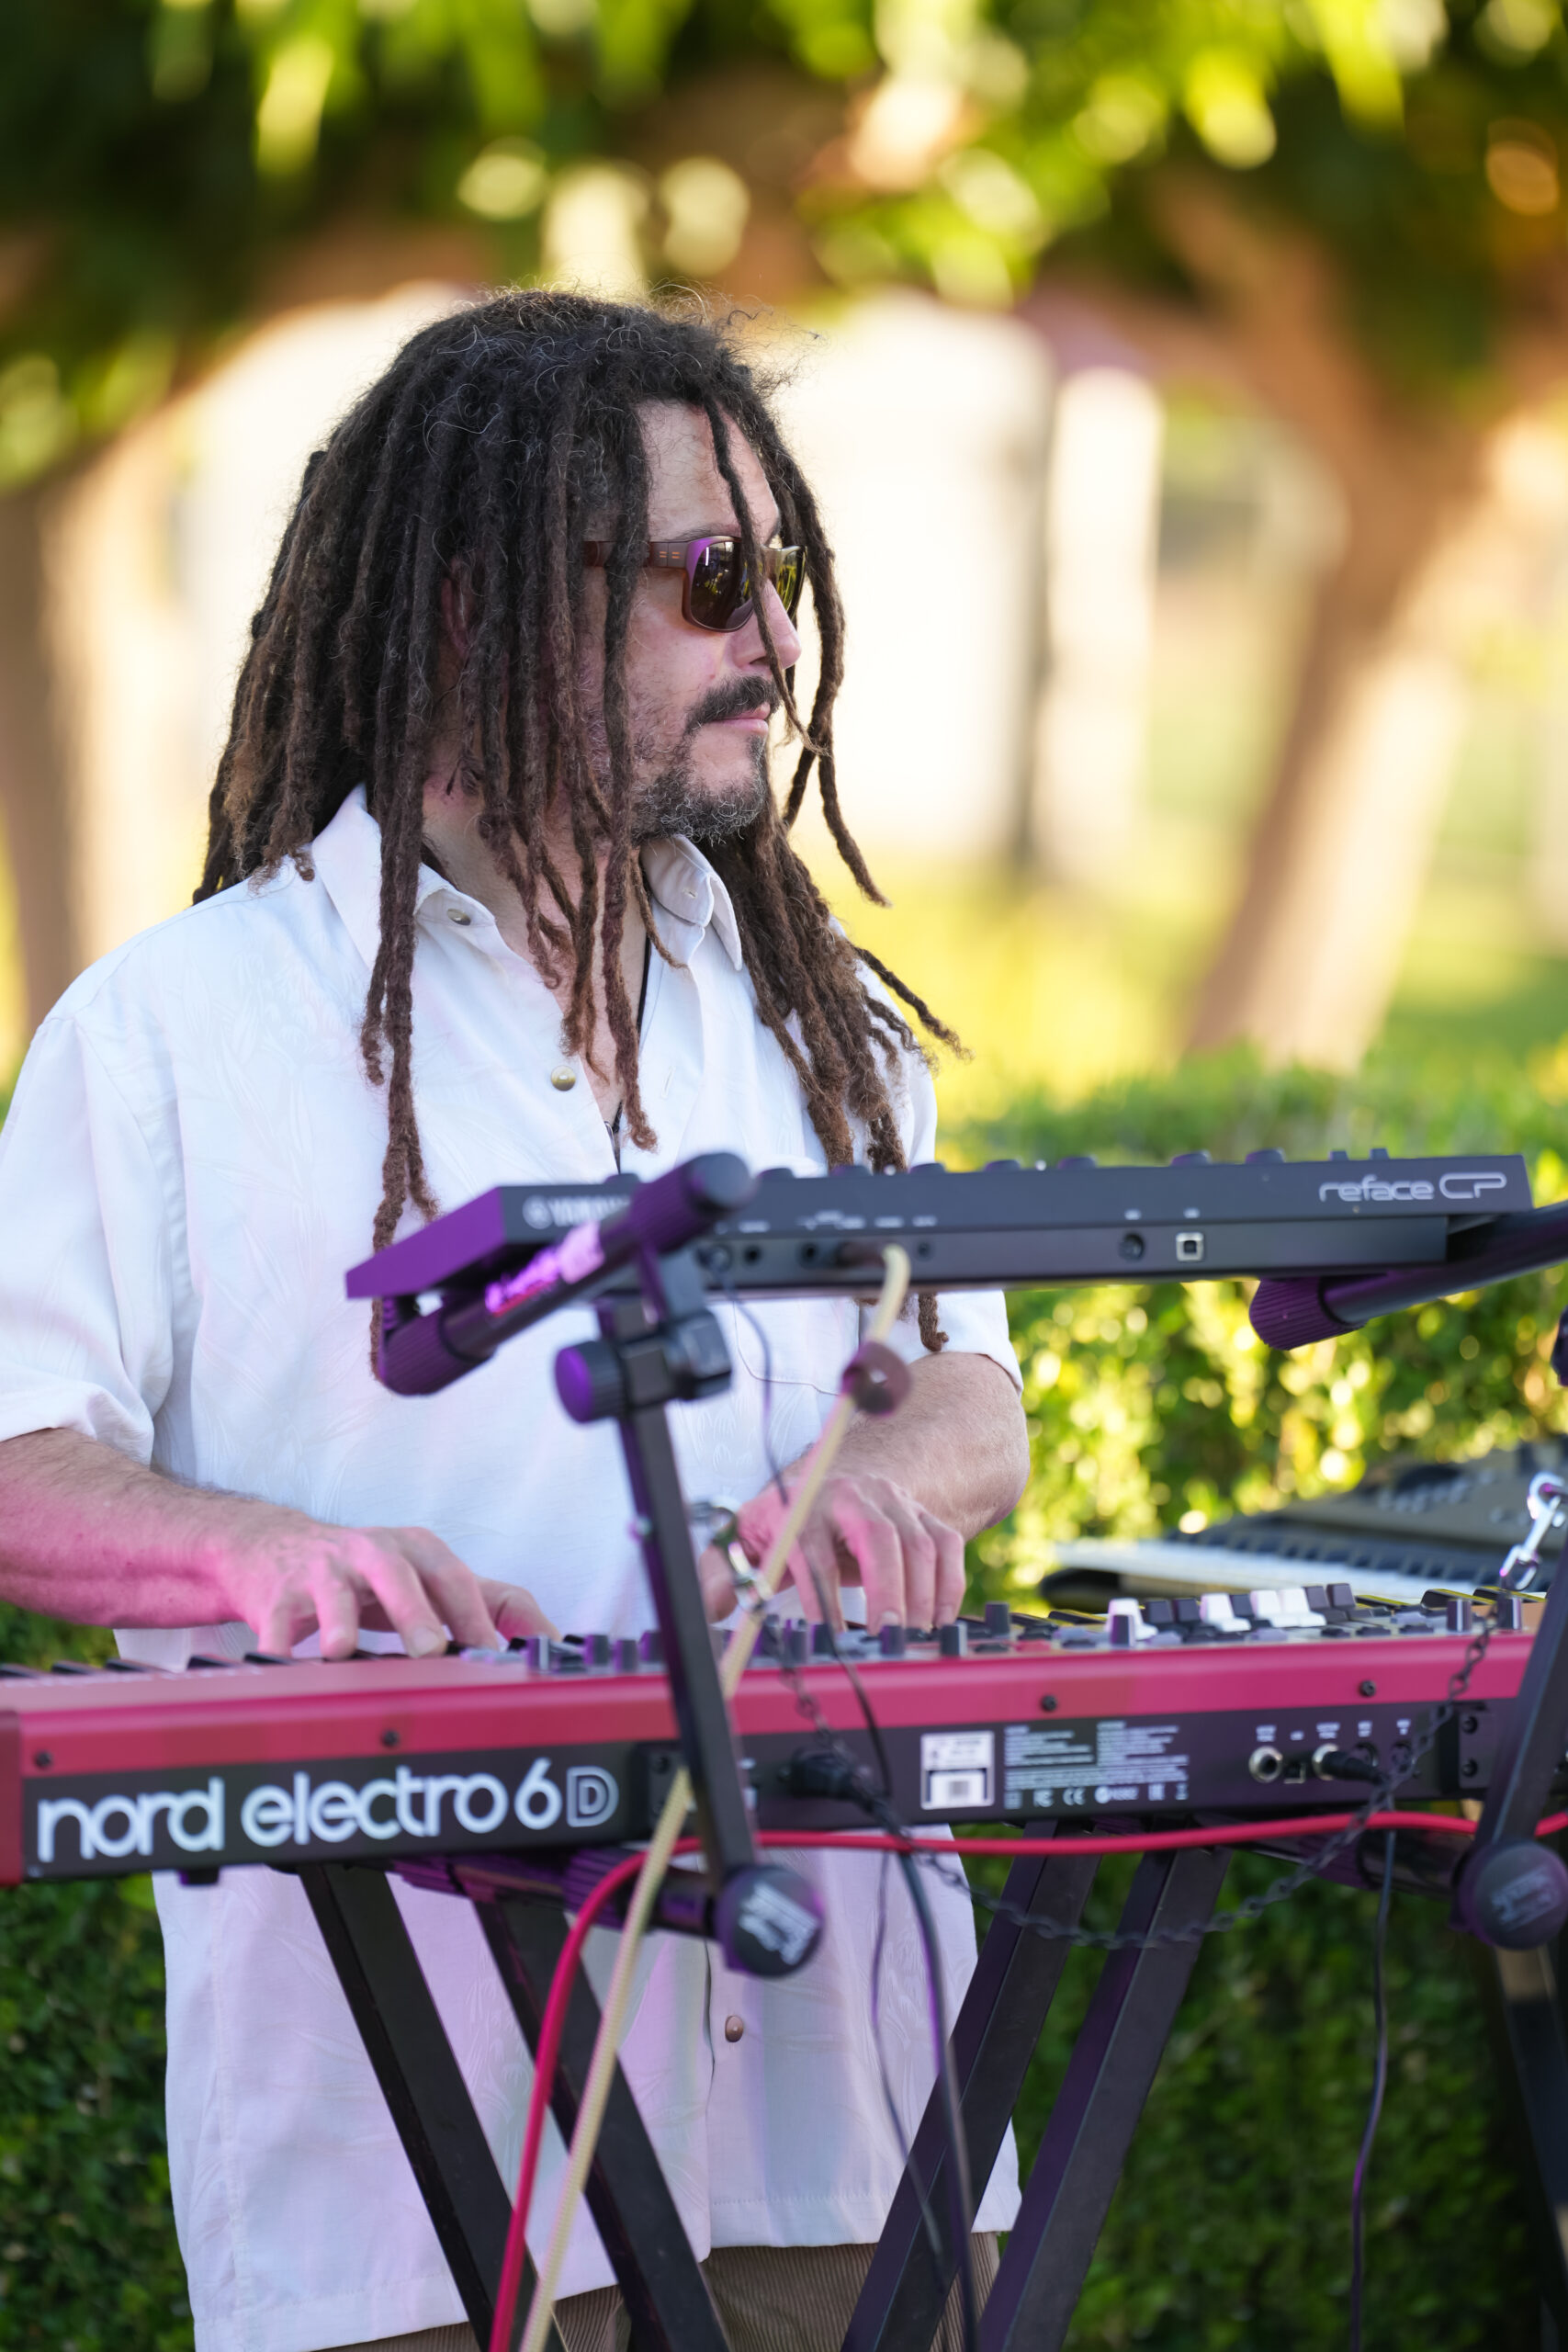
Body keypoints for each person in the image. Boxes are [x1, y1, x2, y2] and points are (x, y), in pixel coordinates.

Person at [0, 291, 1031, 2352]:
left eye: (786, 571)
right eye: (709, 577)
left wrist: (888, 1481)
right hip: (413, 2169)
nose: (772, 638)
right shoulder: (172, 1035)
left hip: (851, 2116)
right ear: (481, 607)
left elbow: (972, 1390)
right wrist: (265, 1558)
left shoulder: (822, 1022)